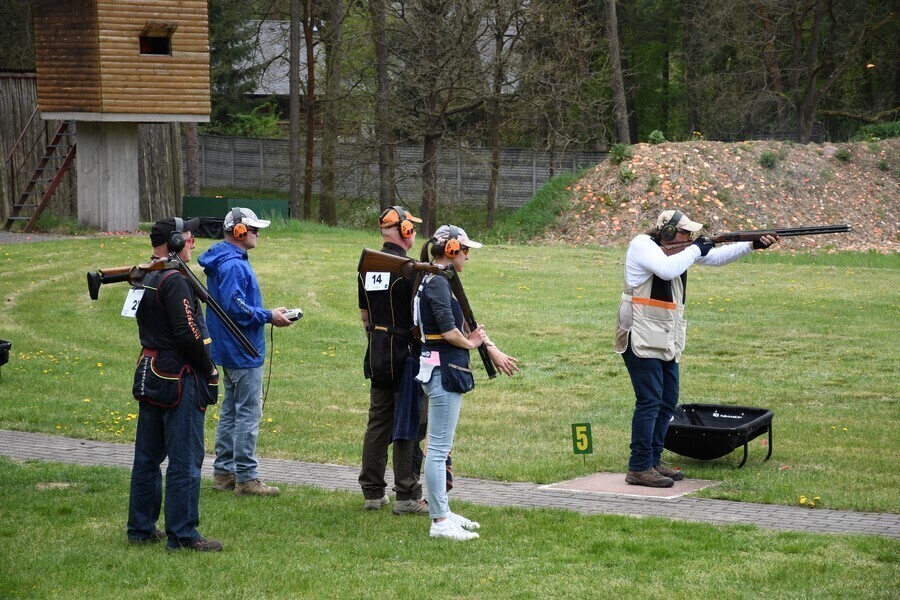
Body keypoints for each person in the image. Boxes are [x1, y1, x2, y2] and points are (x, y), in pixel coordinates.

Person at [614, 209, 778, 487]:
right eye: (684, 232)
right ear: (666, 232)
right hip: (640, 335)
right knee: (650, 401)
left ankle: (653, 461)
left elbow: (717, 257)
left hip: (665, 338)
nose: (689, 237)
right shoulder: (642, 246)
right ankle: (639, 467)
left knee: (667, 401)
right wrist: (697, 248)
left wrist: (751, 245)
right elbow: (667, 269)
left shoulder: (681, 252)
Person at [414, 225, 519, 540]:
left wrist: (484, 344)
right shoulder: (438, 283)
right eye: (465, 250)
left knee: (440, 448)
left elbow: (458, 326)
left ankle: (444, 512)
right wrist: (472, 344)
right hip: (444, 371)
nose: (468, 257)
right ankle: (439, 521)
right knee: (438, 450)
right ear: (451, 250)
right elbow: (450, 332)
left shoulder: (436, 279)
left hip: (439, 369)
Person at [127, 217, 222, 551]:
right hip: (179, 376)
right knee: (184, 460)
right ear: (176, 242)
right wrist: (208, 368)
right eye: (188, 236)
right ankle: (182, 535)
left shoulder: (144, 275)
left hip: (150, 369)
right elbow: (187, 332)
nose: (193, 242)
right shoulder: (175, 280)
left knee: (147, 457)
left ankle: (140, 529)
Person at [199, 208, 294, 496]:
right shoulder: (233, 265)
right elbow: (235, 307)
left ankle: (224, 472)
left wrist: (267, 313)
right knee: (248, 414)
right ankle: (246, 478)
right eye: (253, 229)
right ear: (238, 231)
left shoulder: (226, 260)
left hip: (231, 348)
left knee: (231, 411)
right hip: (242, 349)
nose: (257, 234)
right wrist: (268, 315)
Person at [357, 206, 430, 515]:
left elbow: (365, 315)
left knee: (378, 422)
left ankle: (372, 492)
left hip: (376, 350)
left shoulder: (367, 266)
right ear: (404, 231)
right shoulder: (409, 269)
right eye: (411, 227)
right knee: (407, 423)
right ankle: (407, 495)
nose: (413, 233)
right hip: (405, 353)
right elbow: (420, 318)